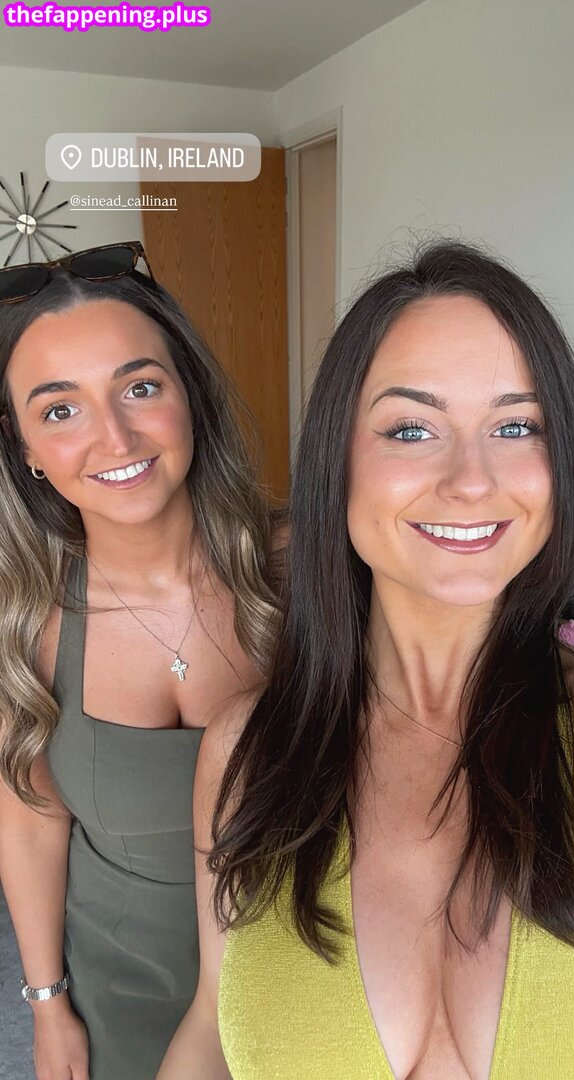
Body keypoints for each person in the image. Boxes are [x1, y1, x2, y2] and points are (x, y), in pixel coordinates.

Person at [159, 240, 574, 1080]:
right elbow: (211, 1024)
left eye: (516, 425)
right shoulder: (244, 751)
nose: (471, 480)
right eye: (412, 428)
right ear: (338, 463)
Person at [0, 242, 279, 1080]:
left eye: (140, 387)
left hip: (307, 975)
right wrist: (47, 1005)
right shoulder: (24, 623)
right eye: (60, 410)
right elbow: (31, 819)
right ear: (24, 448)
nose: (113, 436)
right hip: (124, 994)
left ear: (188, 391)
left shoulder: (308, 574)